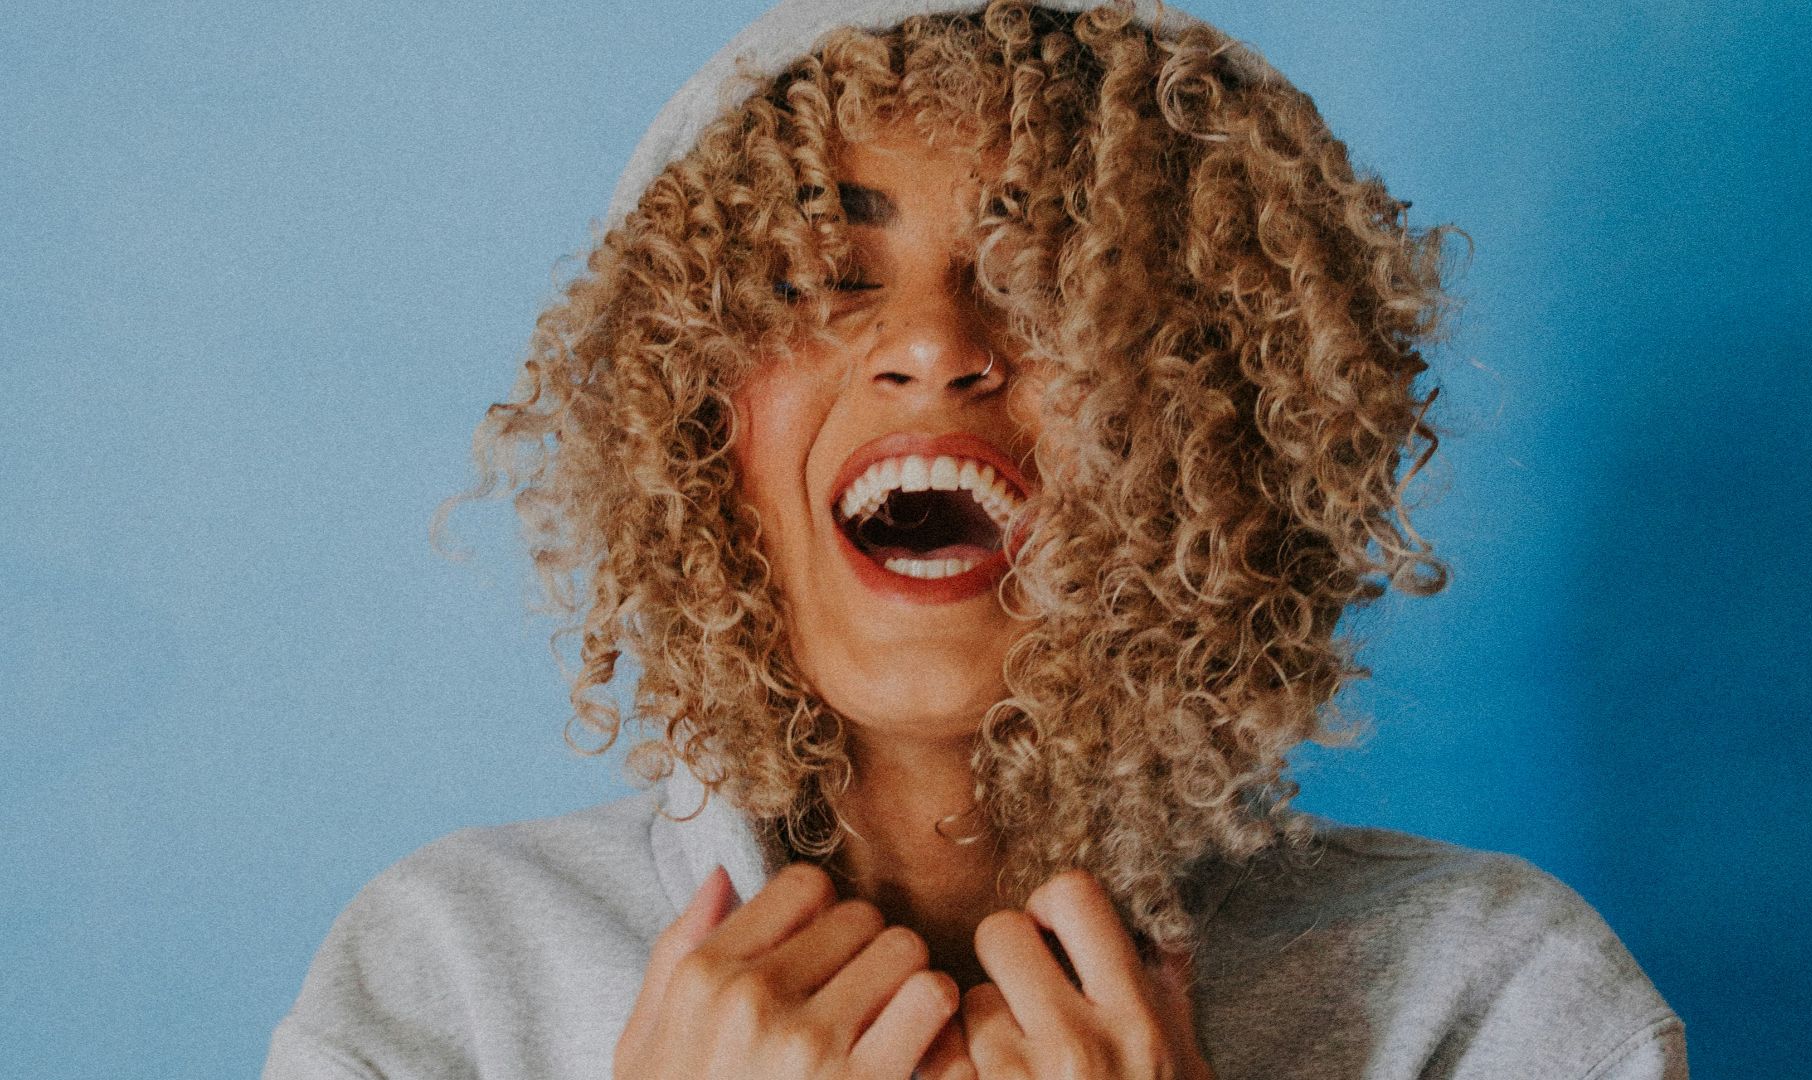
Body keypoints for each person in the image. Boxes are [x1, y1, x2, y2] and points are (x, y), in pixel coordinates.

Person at [265, 1, 1688, 1077]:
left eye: (1052, 278)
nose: (936, 346)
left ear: (1222, 418)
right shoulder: (443, 985)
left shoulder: (1499, 1004)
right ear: (693, 426)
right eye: (825, 273)